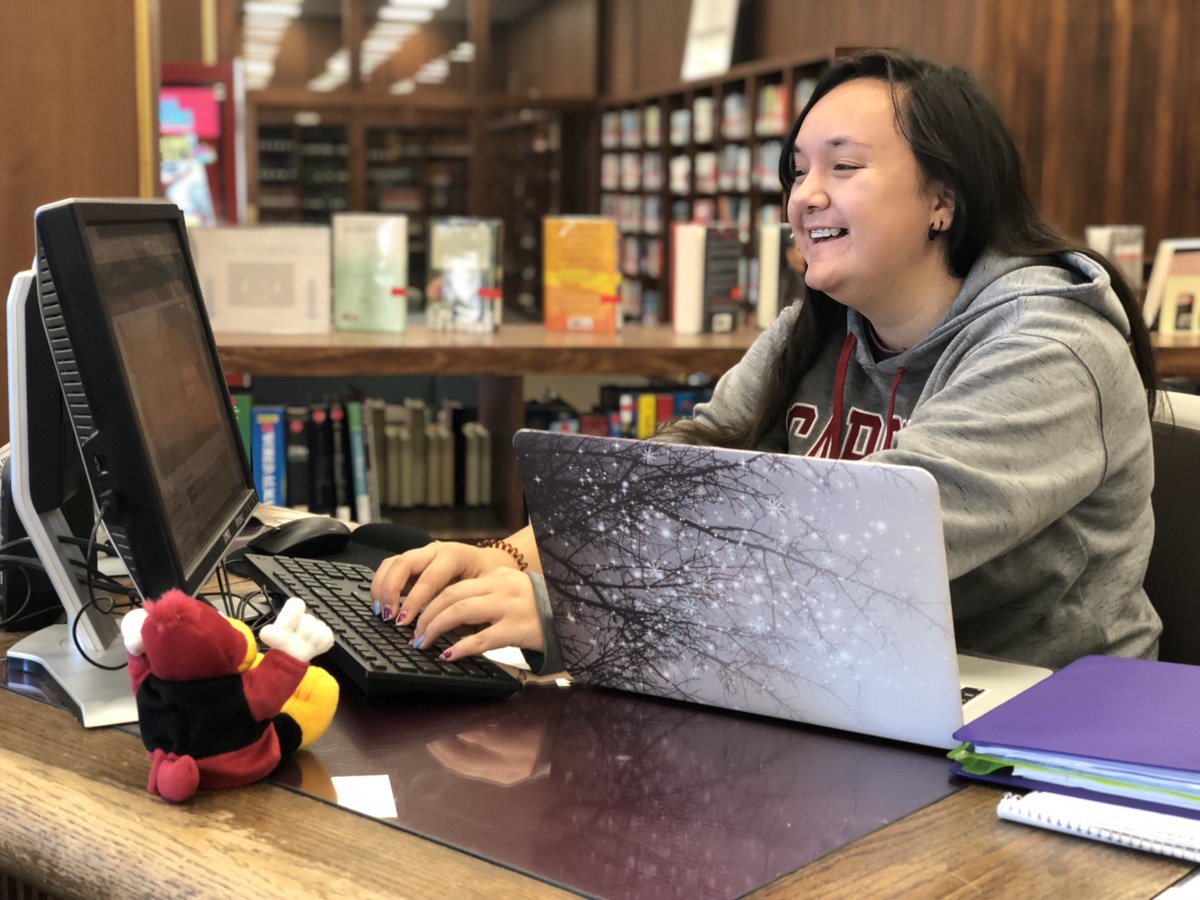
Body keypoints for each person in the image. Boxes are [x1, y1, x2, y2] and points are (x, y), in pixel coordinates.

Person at [370, 49, 1163, 672]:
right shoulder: (818, 325)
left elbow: (864, 550)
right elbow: (686, 465)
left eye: (843, 167)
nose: (804, 196)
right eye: (797, 170)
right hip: (847, 671)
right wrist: (503, 557)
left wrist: (573, 608)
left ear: (942, 199)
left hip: (1034, 723)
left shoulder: (1049, 347)